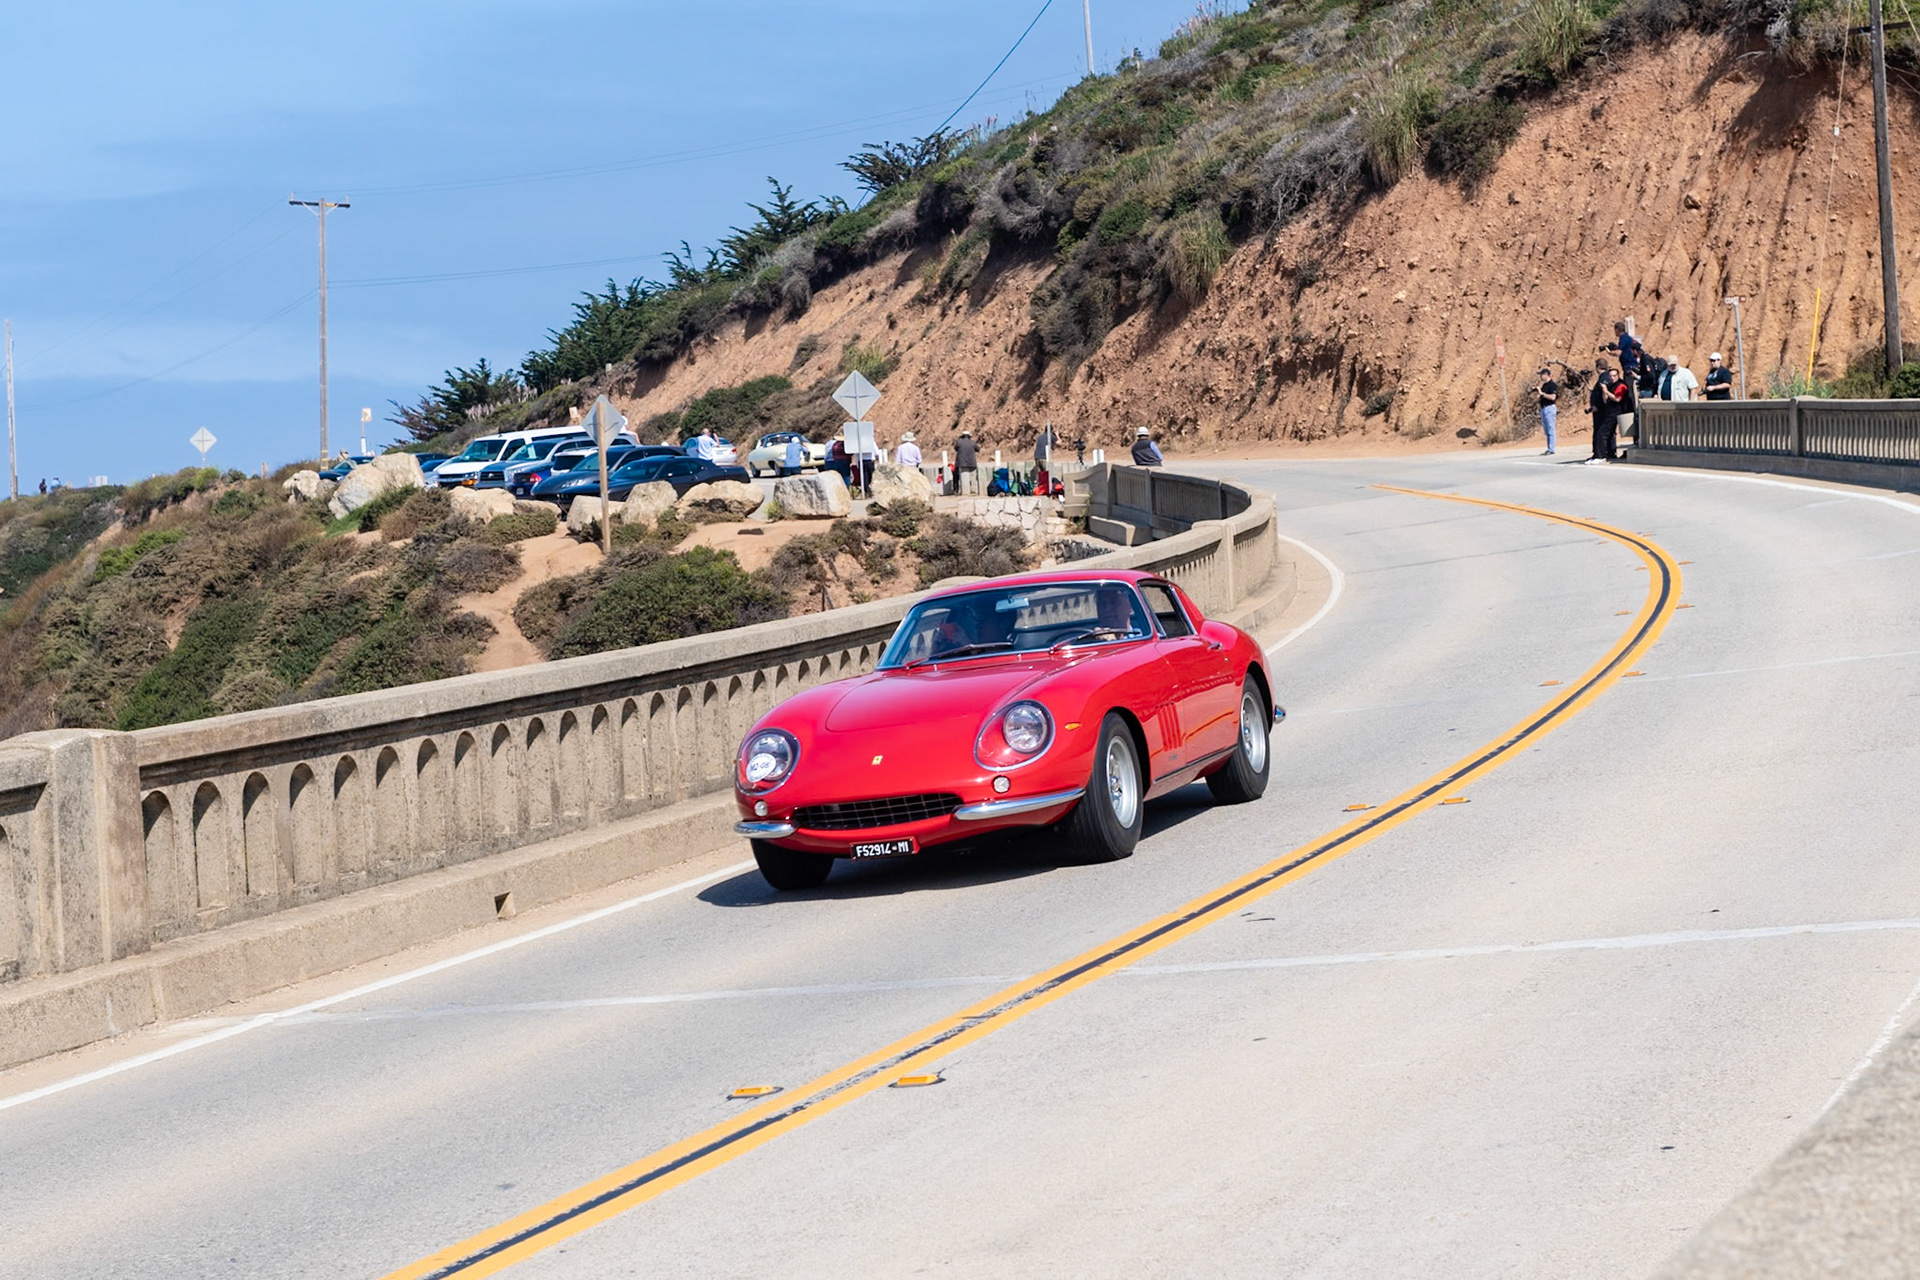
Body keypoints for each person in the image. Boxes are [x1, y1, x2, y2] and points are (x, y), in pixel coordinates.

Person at [1586, 359, 1627, 464]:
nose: (1612, 378)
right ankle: (1604, 453)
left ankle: (1601, 455)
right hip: (1606, 410)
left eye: (1614, 376)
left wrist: (1598, 405)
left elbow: (1612, 397)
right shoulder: (1605, 378)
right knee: (1606, 432)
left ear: (1597, 367)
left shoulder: (1605, 378)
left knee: (1602, 433)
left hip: (1606, 411)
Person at [1536, 367, 1559, 455]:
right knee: (1546, 430)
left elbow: (1553, 397)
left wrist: (1542, 394)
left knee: (1550, 428)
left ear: (1546, 375)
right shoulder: (1544, 385)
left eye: (1541, 375)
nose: (1540, 377)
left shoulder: (1552, 384)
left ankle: (1551, 449)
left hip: (1550, 408)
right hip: (1544, 408)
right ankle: (1549, 447)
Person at [953, 426, 979, 495]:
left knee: (962, 478)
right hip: (972, 462)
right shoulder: (973, 442)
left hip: (961, 463)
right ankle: (973, 490)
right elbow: (978, 449)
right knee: (973, 477)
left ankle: (964, 491)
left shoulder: (959, 442)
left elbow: (955, 448)